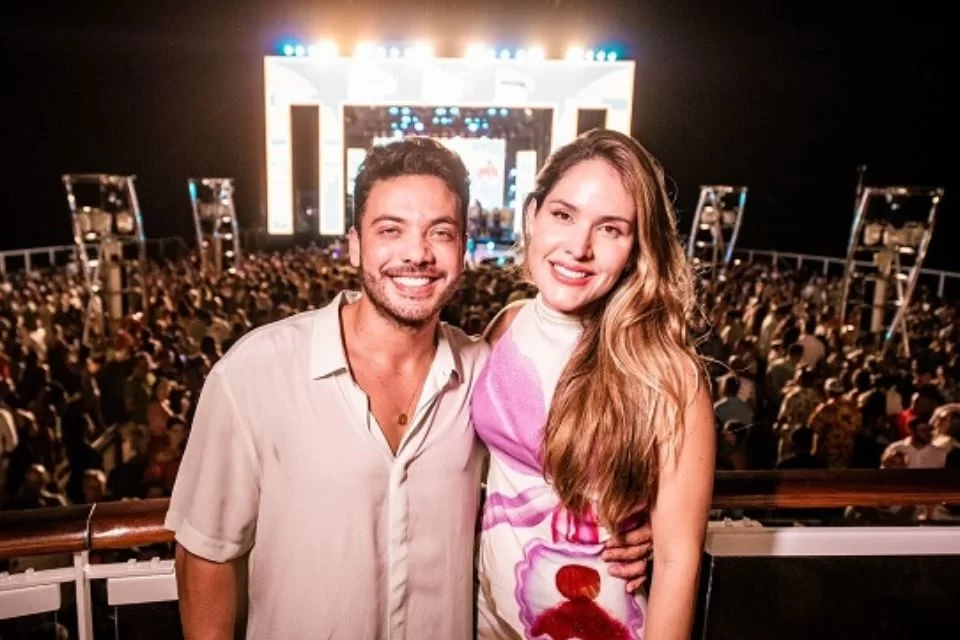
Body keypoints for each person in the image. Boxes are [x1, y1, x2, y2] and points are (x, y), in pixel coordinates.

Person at [166, 137, 649, 640]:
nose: (417, 253)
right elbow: (205, 553)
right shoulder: (257, 372)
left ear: (463, 248)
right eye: (391, 229)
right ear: (355, 243)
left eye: (440, 232)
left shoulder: (485, 372)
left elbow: (561, 464)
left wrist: (641, 522)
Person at [474, 129, 715, 640]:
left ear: (637, 247)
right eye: (564, 215)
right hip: (485, 617)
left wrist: (640, 518)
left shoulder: (669, 374)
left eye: (610, 229)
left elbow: (678, 561)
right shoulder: (507, 325)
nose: (579, 248)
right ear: (533, 215)